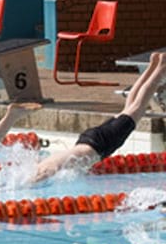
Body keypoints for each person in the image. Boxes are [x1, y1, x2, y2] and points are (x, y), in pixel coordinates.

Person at [34, 52, 166, 182]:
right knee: (129, 108)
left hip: (99, 145)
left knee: (137, 107)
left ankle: (160, 69)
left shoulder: (45, 172)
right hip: (88, 139)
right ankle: (152, 66)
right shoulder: (40, 165)